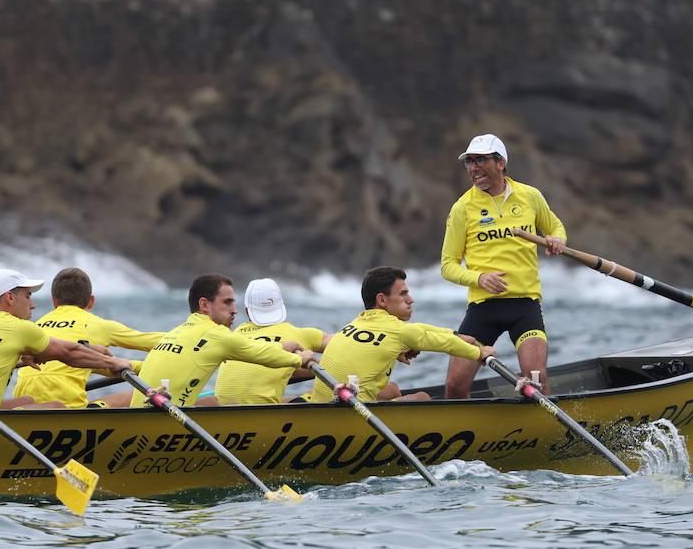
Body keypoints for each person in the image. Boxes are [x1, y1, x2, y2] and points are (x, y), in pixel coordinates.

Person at [440, 133, 566, 397]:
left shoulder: (529, 196)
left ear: (501, 163)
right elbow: (447, 266)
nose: (474, 168)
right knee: (455, 385)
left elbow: (555, 227)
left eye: (480, 160)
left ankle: (542, 421)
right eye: (469, 162)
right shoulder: (462, 208)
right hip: (483, 308)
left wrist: (557, 239)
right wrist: (479, 278)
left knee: (536, 377)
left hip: (524, 304)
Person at [0, 268, 133, 410]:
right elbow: (69, 353)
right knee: (57, 406)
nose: (33, 305)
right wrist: (113, 363)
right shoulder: (19, 327)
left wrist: (23, 355)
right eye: (28, 296)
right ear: (10, 298)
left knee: (28, 400)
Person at [310, 266, 495, 403]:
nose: (410, 299)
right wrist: (479, 353)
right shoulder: (399, 331)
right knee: (423, 398)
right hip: (352, 412)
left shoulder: (354, 324)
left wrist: (456, 334)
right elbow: (446, 344)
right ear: (382, 300)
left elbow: (420, 330)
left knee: (392, 390)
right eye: (403, 294)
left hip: (325, 405)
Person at [129, 273, 318, 408]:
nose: (234, 310)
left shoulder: (178, 332)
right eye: (227, 302)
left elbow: (252, 347)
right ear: (204, 305)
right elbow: (261, 355)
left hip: (146, 415)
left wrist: (280, 346)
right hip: (164, 424)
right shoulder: (217, 335)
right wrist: (299, 359)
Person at [12, 267, 162, 409]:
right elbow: (160, 342)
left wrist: (127, 365)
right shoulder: (98, 325)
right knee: (135, 395)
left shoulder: (36, 327)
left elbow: (73, 362)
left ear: (54, 301)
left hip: (22, 406)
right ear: (91, 301)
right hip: (66, 408)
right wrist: (153, 367)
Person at [214, 278, 331, 405]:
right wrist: (330, 368)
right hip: (261, 412)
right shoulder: (298, 334)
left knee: (286, 399)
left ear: (247, 311)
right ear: (282, 306)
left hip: (225, 408)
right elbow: (343, 342)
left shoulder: (235, 334)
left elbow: (265, 369)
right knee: (320, 393)